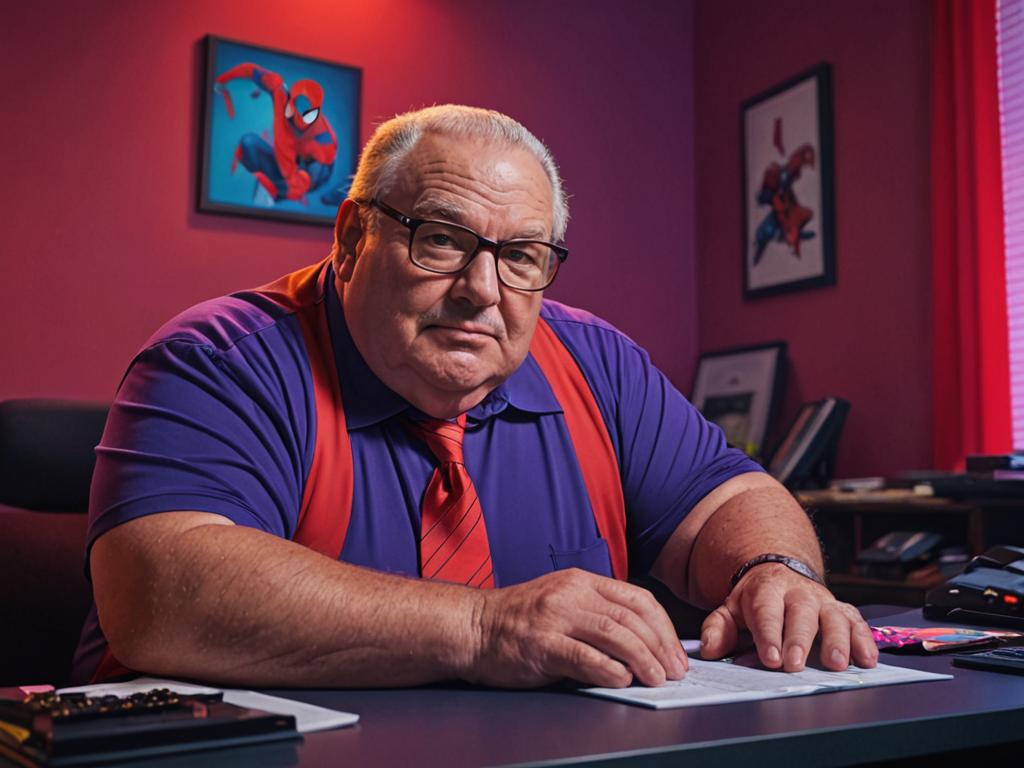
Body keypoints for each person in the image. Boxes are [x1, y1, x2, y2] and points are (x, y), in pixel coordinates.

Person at [74, 105, 877, 688]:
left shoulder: (594, 360)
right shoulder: (225, 358)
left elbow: (727, 494)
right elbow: (157, 589)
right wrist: (484, 626)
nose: (482, 290)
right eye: (444, 240)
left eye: (522, 254)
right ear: (354, 239)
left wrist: (777, 570)